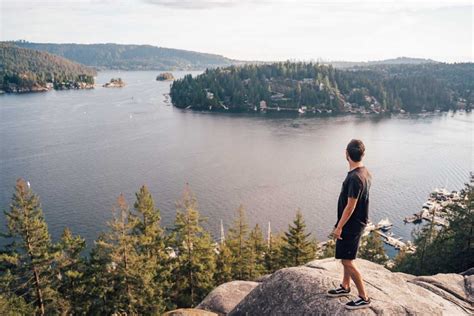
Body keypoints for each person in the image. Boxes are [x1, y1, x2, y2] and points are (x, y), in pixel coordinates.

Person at [327, 139, 372, 310]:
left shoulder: (355, 178)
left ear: (346, 154)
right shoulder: (365, 172)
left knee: (347, 261)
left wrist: (339, 226)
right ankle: (345, 286)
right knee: (347, 257)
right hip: (356, 223)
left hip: (351, 225)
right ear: (363, 154)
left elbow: (351, 205)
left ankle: (363, 297)